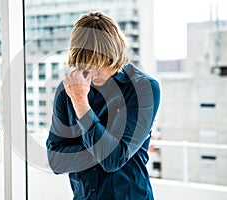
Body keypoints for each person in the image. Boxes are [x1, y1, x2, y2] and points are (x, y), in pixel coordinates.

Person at [46, 12, 160, 200]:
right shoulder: (68, 89)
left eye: (101, 63)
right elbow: (56, 161)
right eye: (87, 64)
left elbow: (112, 159)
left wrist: (81, 103)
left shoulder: (143, 88)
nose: (93, 73)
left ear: (114, 55)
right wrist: (105, 148)